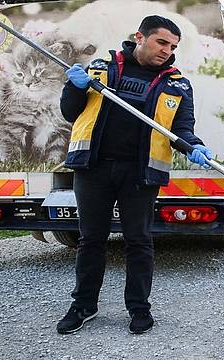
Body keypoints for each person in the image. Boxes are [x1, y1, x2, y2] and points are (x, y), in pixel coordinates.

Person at [56, 15, 212, 335]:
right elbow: (71, 112)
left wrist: (194, 146)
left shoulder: (177, 84)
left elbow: (182, 130)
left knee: (138, 242)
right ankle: (84, 306)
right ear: (140, 37)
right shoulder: (100, 68)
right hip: (94, 168)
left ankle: (139, 308)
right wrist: (74, 87)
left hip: (140, 174)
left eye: (173, 46)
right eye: (162, 42)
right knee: (91, 240)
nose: (167, 51)